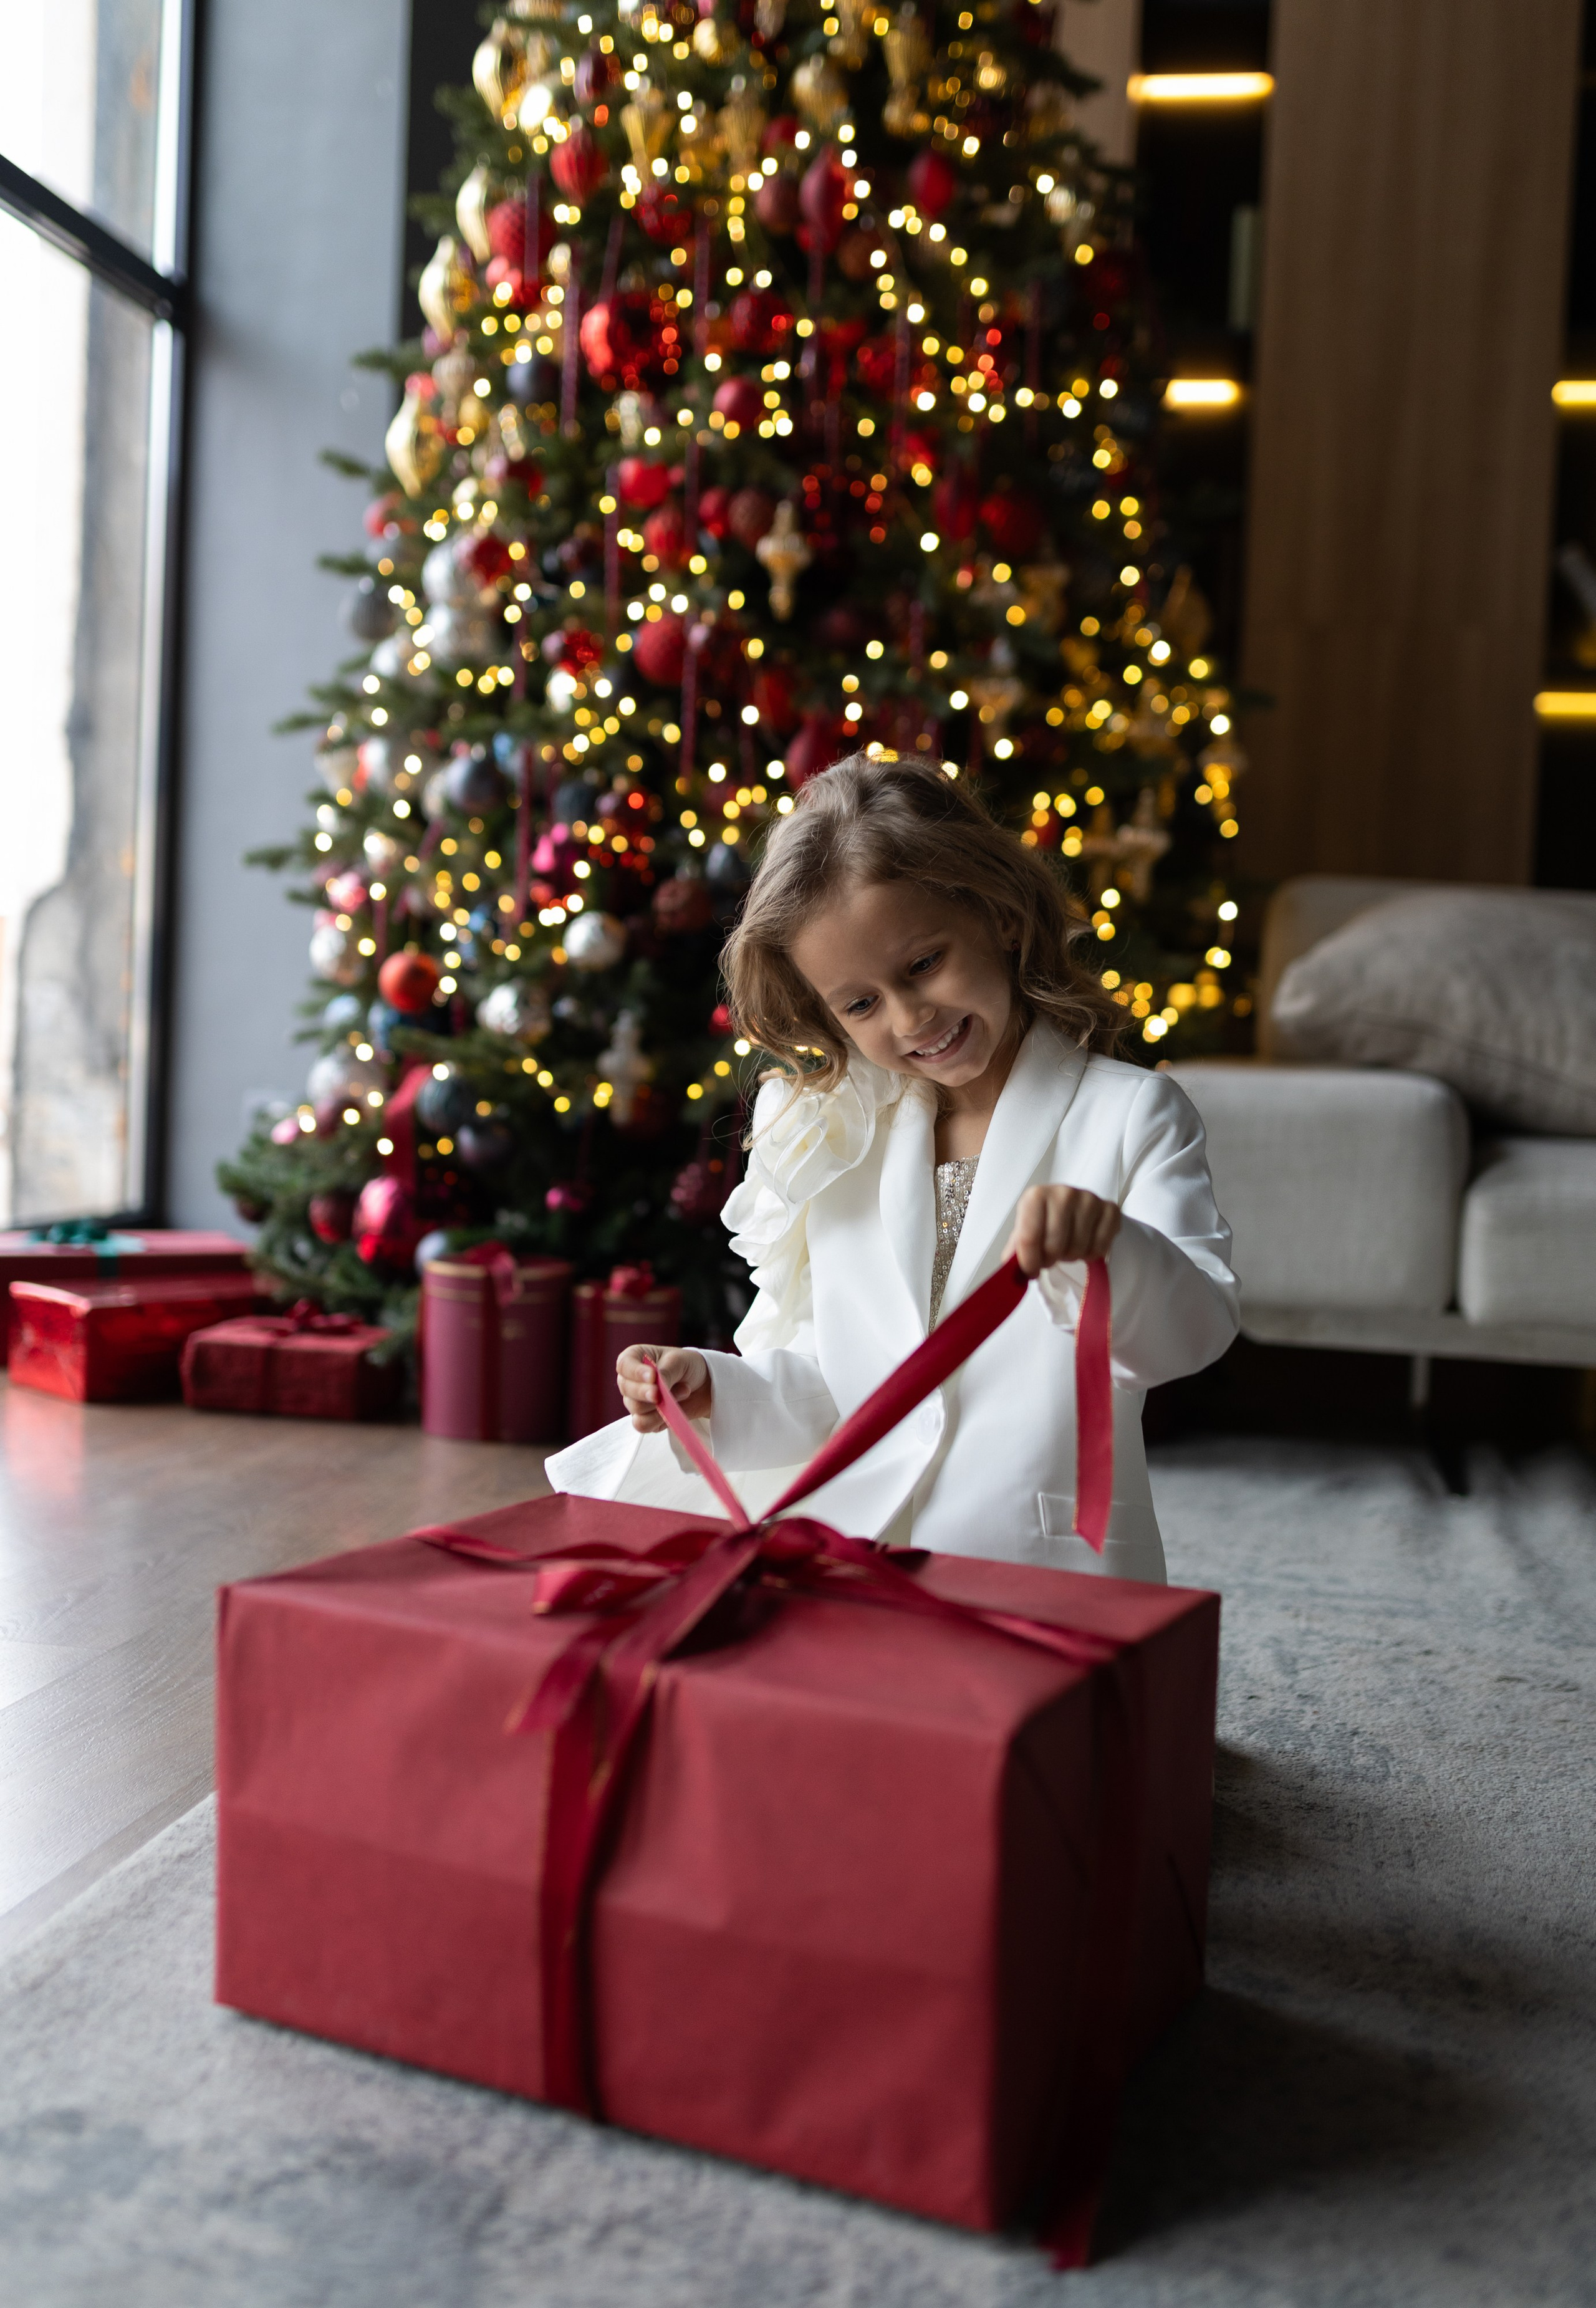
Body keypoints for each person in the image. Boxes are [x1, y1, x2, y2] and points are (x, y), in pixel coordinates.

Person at [544, 754, 1239, 1582]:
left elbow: (1191, 1331)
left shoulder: (1130, 1115)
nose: (912, 1017)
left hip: (1041, 1564)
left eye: (923, 964)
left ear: (1000, 917)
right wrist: (715, 1392)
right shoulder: (844, 1138)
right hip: (857, 1556)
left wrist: (1111, 1247)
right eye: (861, 1003)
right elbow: (835, 1382)